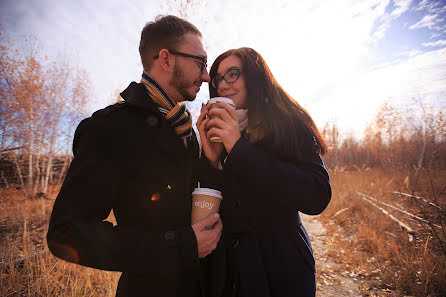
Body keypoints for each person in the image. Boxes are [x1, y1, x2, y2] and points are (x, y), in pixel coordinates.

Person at [47, 15, 223, 297]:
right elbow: (65, 233)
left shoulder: (185, 128)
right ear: (166, 60)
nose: (205, 75)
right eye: (201, 63)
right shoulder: (111, 128)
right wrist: (182, 245)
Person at [196, 47, 331, 297]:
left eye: (233, 74)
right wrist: (212, 161)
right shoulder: (214, 132)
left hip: (280, 270)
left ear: (255, 77)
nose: (223, 84)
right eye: (218, 78)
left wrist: (238, 148)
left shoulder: (287, 122)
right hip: (230, 276)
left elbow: (317, 194)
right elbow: (212, 211)